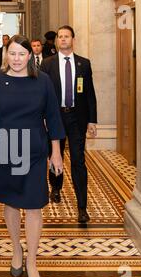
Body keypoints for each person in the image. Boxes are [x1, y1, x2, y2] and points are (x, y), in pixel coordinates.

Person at [0, 35, 65, 277]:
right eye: (11, 53)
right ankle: (16, 248)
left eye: (21, 54)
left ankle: (32, 261)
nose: (16, 58)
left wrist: (55, 152)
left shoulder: (42, 81)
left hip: (35, 151)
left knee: (35, 205)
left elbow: (53, 117)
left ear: (29, 56)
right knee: (11, 202)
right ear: (6, 55)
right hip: (4, 150)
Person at [41, 25, 97, 223]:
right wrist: (43, 118)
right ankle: (56, 187)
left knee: (78, 160)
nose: (63, 39)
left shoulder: (84, 64)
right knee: (54, 154)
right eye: (60, 37)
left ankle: (82, 206)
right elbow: (42, 94)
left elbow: (90, 93)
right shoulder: (47, 64)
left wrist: (92, 120)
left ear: (73, 39)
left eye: (67, 36)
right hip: (55, 117)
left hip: (77, 118)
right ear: (57, 41)